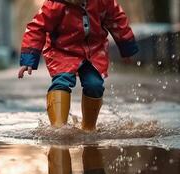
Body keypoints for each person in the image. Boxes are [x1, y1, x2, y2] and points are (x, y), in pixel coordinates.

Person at [18, 0, 138, 131]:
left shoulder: (104, 2)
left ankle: (89, 127)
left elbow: (117, 21)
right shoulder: (56, 4)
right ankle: (58, 128)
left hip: (94, 51)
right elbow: (37, 28)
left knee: (95, 85)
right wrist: (28, 58)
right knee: (61, 82)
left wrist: (128, 48)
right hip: (62, 51)